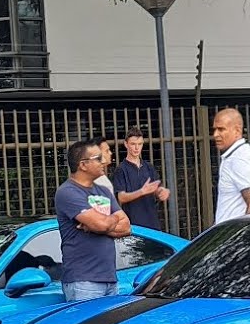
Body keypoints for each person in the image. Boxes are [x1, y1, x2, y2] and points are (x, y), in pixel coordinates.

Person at [54, 138, 130, 301]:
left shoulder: (103, 191)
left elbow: (126, 227)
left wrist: (98, 225)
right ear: (83, 165)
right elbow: (101, 224)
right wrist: (106, 222)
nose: (104, 161)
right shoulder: (68, 192)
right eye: (98, 158)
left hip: (110, 279)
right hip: (83, 282)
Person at [211, 108, 250, 224]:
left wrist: (243, 238)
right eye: (215, 130)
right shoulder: (237, 155)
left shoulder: (239, 158)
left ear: (237, 131)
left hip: (237, 238)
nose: (215, 135)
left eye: (221, 129)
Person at [111, 127, 169, 230]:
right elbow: (121, 197)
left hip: (153, 223)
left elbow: (156, 188)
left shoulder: (149, 167)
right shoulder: (121, 170)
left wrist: (162, 192)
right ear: (126, 144)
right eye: (133, 144)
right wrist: (141, 192)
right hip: (133, 225)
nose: (137, 148)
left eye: (140, 144)